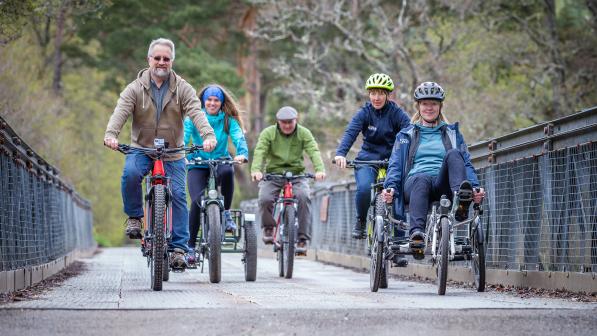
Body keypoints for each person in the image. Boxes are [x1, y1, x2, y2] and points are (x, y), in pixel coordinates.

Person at [104, 38, 216, 270]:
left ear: (172, 61)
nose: (161, 62)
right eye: (157, 58)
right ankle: (135, 217)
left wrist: (207, 135)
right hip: (141, 148)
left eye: (166, 59)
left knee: (178, 195)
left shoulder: (183, 88)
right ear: (149, 60)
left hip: (173, 151)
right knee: (131, 174)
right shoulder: (134, 88)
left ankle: (178, 250)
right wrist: (111, 134)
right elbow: (120, 112)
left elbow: (196, 112)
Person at [381, 81, 485, 245]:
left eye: (433, 104)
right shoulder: (405, 135)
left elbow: (466, 164)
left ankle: (462, 203)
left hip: (443, 183)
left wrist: (474, 186)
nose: (429, 108)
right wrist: (390, 187)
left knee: (454, 154)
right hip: (415, 183)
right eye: (425, 104)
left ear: (440, 106)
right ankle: (417, 235)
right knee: (421, 178)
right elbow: (395, 165)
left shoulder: (453, 133)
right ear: (418, 106)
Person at [334, 73, 410, 239]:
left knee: (396, 195)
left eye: (381, 93)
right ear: (369, 94)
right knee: (364, 188)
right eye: (373, 93)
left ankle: (399, 241)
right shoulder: (364, 113)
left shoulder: (397, 113)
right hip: (367, 159)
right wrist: (341, 154)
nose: (376, 97)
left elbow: (411, 133)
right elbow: (350, 133)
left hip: (393, 160)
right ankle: (361, 220)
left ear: (387, 95)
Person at [184, 84, 248, 266]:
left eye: (216, 100)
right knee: (196, 200)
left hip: (221, 160)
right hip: (197, 163)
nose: (212, 103)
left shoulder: (228, 120)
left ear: (221, 103)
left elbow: (238, 137)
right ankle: (190, 246)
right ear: (203, 101)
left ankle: (226, 213)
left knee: (228, 171)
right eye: (209, 100)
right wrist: (181, 155)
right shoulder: (193, 118)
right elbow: (184, 136)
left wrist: (241, 153)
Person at [251, 106, 325, 252]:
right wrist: (256, 170)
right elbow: (260, 151)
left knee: (304, 197)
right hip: (274, 174)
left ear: (295, 120)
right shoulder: (268, 133)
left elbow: (313, 151)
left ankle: (302, 239)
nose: (286, 125)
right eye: (283, 122)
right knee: (265, 198)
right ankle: (268, 227)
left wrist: (320, 170)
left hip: (297, 175)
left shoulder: (304, 133)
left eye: (290, 122)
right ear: (278, 122)